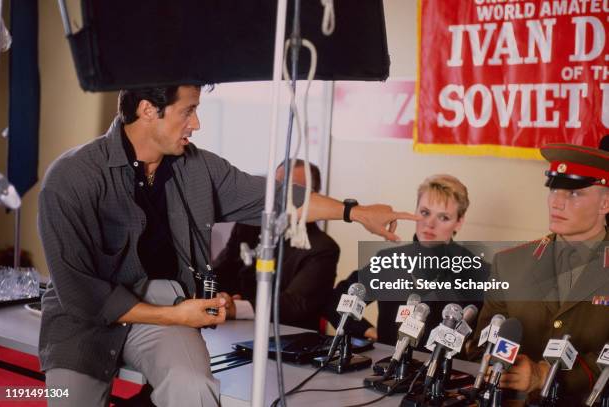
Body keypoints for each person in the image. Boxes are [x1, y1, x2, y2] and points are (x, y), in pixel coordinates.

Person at [37, 84, 418, 407]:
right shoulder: (72, 178)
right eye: (188, 111)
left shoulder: (198, 167)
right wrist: (179, 316)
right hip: (83, 319)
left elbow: (275, 196)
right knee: (68, 398)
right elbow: (81, 294)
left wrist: (354, 211)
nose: (197, 123)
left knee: (195, 389)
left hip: (166, 302)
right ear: (148, 110)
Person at [473, 142, 609, 403]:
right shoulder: (509, 263)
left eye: (574, 194)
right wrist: (499, 367)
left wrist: (546, 375)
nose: (557, 202)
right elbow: (480, 346)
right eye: (555, 189)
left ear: (605, 204)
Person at [324, 174, 488, 347]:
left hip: (443, 371)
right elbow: (334, 302)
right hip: (387, 368)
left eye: (443, 217)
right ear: (415, 212)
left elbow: (484, 339)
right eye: (425, 212)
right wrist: (369, 332)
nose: (430, 224)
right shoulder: (389, 261)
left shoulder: (477, 271)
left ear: (459, 222)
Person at [214, 160, 339, 330]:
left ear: (312, 198)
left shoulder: (323, 248)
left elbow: (296, 304)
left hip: (287, 341)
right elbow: (221, 271)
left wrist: (238, 308)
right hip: (234, 331)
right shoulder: (248, 227)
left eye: (295, 191)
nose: (282, 196)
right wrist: (220, 298)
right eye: (278, 187)